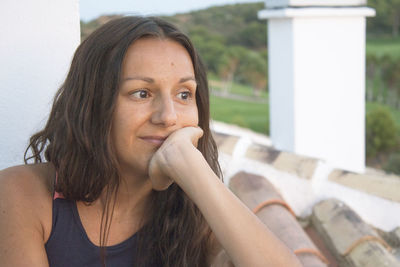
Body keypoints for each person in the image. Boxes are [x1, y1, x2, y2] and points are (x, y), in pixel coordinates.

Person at [0, 16, 302, 267]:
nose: (168, 117)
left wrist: (195, 172)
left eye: (184, 94)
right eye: (141, 93)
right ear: (93, 104)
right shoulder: (24, 195)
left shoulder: (198, 215)